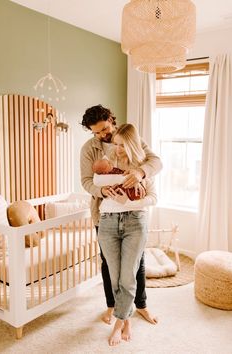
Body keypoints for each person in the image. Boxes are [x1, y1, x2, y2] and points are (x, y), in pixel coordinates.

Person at [80, 104, 162, 325]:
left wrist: (139, 171)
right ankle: (111, 306)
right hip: (105, 214)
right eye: (96, 132)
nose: (102, 135)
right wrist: (102, 190)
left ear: (111, 120)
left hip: (133, 214)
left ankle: (141, 305)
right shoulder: (90, 148)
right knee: (108, 263)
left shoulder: (128, 138)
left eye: (105, 129)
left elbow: (155, 162)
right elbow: (86, 181)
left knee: (137, 262)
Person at [97, 123, 157, 345]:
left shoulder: (144, 167)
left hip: (135, 222)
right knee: (114, 276)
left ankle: (119, 322)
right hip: (108, 224)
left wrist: (133, 198)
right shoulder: (108, 163)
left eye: (122, 145)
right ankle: (127, 319)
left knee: (128, 276)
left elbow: (154, 198)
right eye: (115, 144)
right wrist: (110, 186)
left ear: (132, 144)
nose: (117, 149)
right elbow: (95, 182)